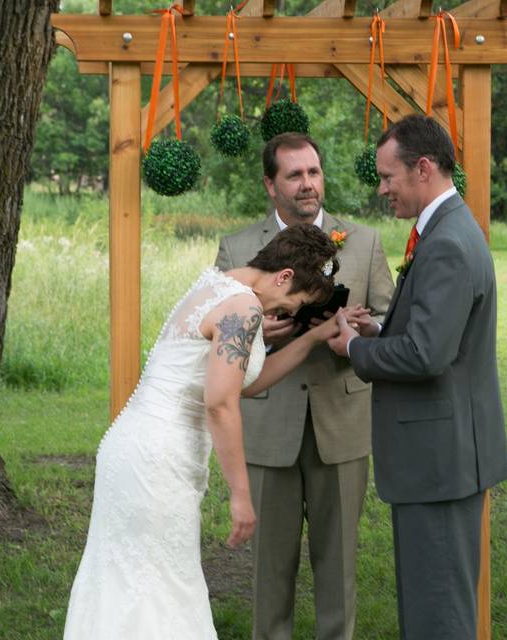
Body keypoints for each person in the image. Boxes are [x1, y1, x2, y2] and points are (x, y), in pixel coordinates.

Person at [64, 224, 342, 640]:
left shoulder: (218, 284)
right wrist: (242, 496)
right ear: (284, 276)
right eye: (294, 301)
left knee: (125, 581)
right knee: (164, 587)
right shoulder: (243, 310)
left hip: (132, 445)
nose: (287, 313)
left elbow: (245, 384)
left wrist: (312, 338)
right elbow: (221, 403)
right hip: (159, 460)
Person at [327, 115, 507, 639]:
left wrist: (356, 347)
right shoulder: (446, 229)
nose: (382, 188)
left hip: (440, 462)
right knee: (432, 604)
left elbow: (428, 355)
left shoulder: (448, 242)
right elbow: (438, 333)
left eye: (388, 177)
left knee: (438, 615)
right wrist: (381, 326)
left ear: (423, 168)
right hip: (440, 459)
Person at [215, 132, 394, 640]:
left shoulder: (363, 241)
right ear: (270, 185)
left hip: (341, 421)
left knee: (338, 565)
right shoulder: (237, 248)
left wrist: (366, 331)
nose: (307, 184)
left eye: (313, 172)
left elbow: (389, 316)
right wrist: (256, 334)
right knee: (269, 570)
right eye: (294, 175)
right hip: (268, 424)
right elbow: (214, 331)